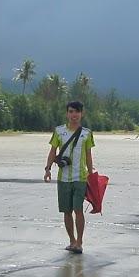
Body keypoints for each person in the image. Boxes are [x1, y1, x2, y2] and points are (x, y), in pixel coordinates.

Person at [44, 100, 96, 254]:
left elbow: (88, 156)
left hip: (80, 177)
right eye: (71, 111)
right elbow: (53, 151)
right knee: (66, 211)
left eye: (77, 112)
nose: (74, 115)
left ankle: (79, 242)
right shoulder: (59, 131)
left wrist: (91, 176)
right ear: (67, 114)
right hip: (63, 178)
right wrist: (47, 169)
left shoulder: (87, 133)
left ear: (82, 114)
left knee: (78, 210)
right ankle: (72, 241)